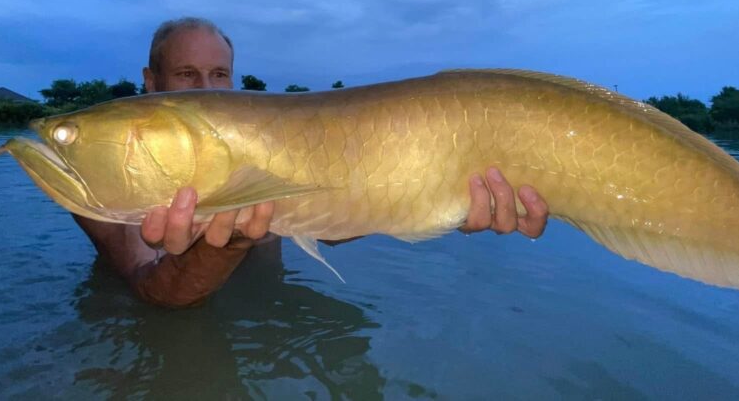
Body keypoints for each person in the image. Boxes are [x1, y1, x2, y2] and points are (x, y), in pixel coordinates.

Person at [74, 17, 551, 307]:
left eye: (219, 74)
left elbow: (331, 226)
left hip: (275, 318)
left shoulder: (260, 139)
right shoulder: (98, 177)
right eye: (186, 74)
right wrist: (229, 240)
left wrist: (442, 199)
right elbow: (156, 298)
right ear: (150, 82)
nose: (207, 88)